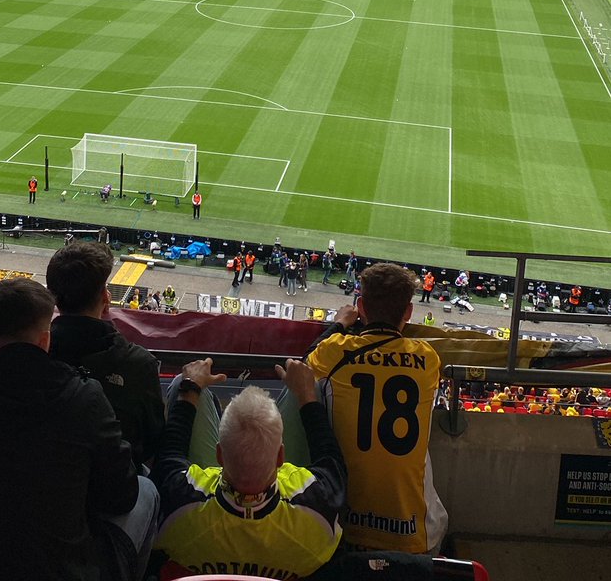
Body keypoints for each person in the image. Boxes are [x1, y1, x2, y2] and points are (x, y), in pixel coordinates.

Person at [0, 278, 160, 581]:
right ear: (45, 341)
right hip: (61, 570)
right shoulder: (84, 398)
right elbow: (121, 496)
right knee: (146, 489)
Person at [302, 262, 447, 555]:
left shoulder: (335, 350)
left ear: (361, 306)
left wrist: (340, 323)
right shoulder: (427, 358)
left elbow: (303, 364)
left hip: (345, 526)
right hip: (412, 534)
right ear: (408, 312)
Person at [153, 357, 346, 578]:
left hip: (201, 522)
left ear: (219, 455)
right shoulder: (317, 512)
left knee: (182, 382)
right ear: (280, 457)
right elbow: (331, 459)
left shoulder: (180, 504)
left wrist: (190, 386)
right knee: (310, 387)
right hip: (294, 535)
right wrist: (306, 394)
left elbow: (169, 455)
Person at [46, 241, 165, 471]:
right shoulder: (139, 364)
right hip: (118, 482)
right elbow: (152, 440)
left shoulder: (34, 356)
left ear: (53, 297)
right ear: (105, 297)